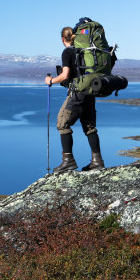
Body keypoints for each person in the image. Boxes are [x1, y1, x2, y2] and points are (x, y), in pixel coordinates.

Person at [44, 26, 105, 172]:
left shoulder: (68, 51)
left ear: (62, 39)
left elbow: (65, 75)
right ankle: (97, 161)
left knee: (62, 123)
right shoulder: (84, 51)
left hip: (77, 92)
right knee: (89, 127)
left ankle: (68, 161)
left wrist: (51, 81)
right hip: (90, 91)